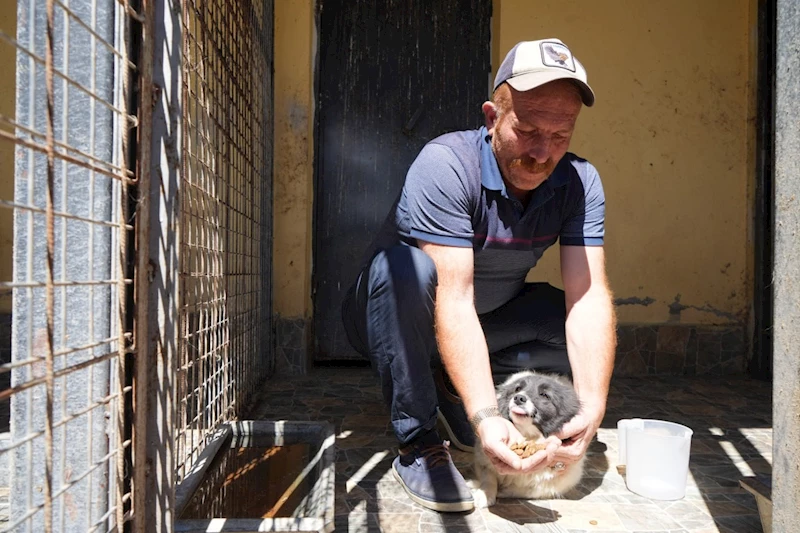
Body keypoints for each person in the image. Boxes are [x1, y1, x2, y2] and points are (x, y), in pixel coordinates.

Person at [341, 38, 616, 512]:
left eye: (560, 136)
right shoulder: (448, 164)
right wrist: (487, 416)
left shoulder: (580, 183)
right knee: (402, 268)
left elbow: (588, 300)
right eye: (527, 130)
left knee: (562, 319)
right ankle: (419, 442)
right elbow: (453, 297)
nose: (541, 153)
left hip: (485, 318)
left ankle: (453, 387)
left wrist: (590, 410)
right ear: (492, 117)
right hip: (400, 316)